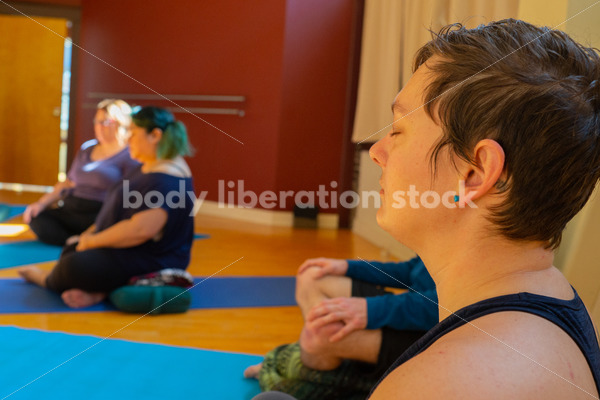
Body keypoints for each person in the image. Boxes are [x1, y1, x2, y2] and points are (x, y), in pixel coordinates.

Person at [251, 18, 600, 400]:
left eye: (399, 129)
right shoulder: (548, 297)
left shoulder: (445, 382)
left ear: (475, 173)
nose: (379, 152)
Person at [18, 106, 195, 309]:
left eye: (133, 133)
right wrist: (88, 235)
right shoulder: (149, 165)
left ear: (155, 135)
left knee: (73, 266)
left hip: (154, 259)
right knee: (72, 249)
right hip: (129, 248)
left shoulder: (166, 179)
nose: (128, 139)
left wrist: (92, 241)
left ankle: (45, 280)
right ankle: (99, 291)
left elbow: (140, 231)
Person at [245, 256, 438, 399]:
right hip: (414, 309)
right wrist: (348, 266)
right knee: (312, 276)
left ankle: (330, 372)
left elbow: (447, 307)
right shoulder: (441, 224)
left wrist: (370, 310)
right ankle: (328, 359)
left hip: (432, 335)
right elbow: (412, 270)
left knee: (323, 332)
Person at [24, 99, 140, 246]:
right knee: (38, 218)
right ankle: (74, 242)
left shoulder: (130, 154)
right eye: (97, 121)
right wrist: (41, 203)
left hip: (99, 212)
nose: (100, 127)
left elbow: (129, 194)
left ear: (120, 123)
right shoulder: (87, 148)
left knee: (107, 226)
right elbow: (67, 183)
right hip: (71, 208)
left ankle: (87, 240)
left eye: (106, 122)